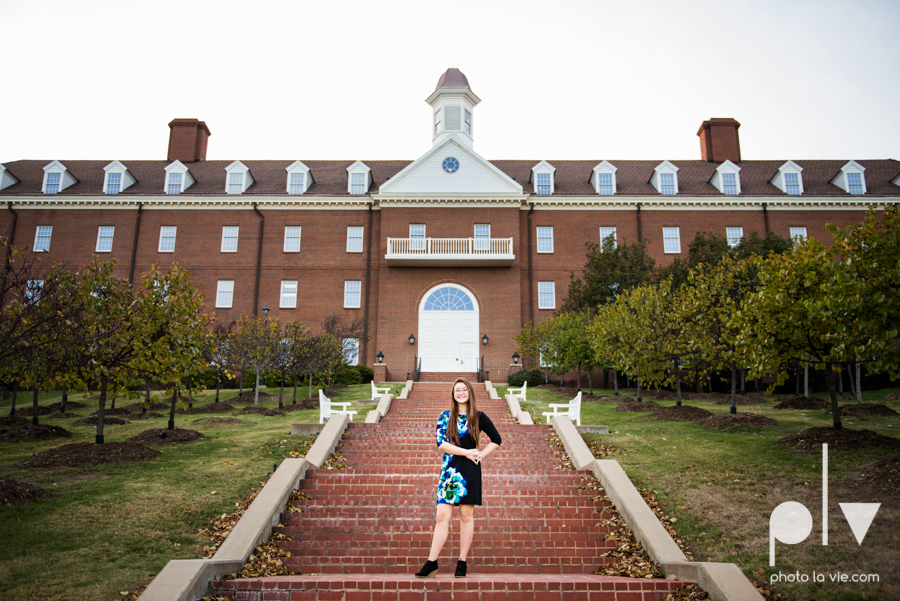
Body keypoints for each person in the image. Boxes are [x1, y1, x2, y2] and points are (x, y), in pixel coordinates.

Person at [415, 378, 502, 578]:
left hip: (470, 471)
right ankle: (431, 562)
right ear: (453, 394)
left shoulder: (479, 417)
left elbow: (496, 440)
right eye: (457, 390)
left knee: (466, 516)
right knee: (442, 517)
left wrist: (481, 454)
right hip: (449, 471)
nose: (461, 392)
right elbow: (441, 444)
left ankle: (462, 561)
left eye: (464, 389)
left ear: (470, 392)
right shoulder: (445, 416)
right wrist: (467, 452)